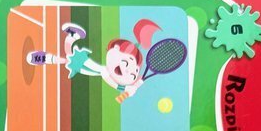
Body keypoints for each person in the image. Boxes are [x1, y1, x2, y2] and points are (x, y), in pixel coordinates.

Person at [25, 19, 161, 103]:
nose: (128, 71)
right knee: (69, 56)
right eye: (126, 63)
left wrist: (130, 87)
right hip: (85, 63)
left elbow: (116, 83)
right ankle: (69, 39)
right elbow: (112, 82)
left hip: (84, 66)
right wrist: (125, 89)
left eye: (133, 74)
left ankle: (50, 54)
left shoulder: (105, 71)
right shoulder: (104, 71)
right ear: (115, 48)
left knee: (67, 58)